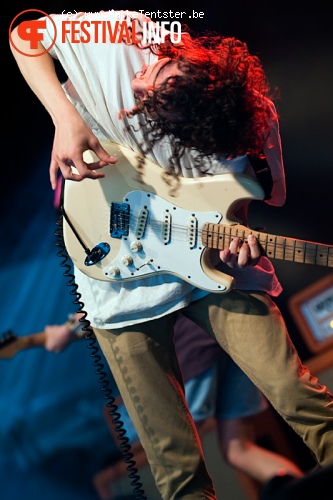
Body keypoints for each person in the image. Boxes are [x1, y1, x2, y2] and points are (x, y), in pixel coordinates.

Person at [10, 10, 333, 499]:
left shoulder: (248, 121)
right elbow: (24, 34)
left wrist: (236, 236)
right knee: (175, 464)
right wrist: (65, 117)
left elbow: (240, 201)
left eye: (159, 108)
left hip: (212, 270)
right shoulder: (124, 31)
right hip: (120, 281)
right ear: (178, 55)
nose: (141, 95)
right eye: (153, 83)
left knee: (298, 397)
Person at [45, 313, 304, 499]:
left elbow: (104, 303)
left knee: (181, 468)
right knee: (239, 449)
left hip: (191, 354)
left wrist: (66, 330)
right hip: (223, 338)